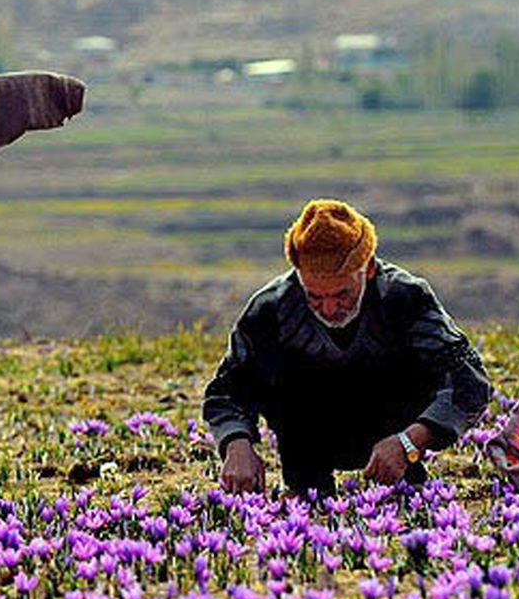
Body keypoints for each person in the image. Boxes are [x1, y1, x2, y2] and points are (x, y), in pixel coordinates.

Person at [202, 199, 492, 496]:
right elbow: (226, 391)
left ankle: (404, 482)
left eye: (342, 294)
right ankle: (308, 488)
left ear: (367, 270)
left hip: (396, 437)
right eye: (314, 296)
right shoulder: (272, 308)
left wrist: (410, 442)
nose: (329, 308)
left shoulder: (404, 297)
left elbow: (469, 380)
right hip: (305, 445)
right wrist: (236, 444)